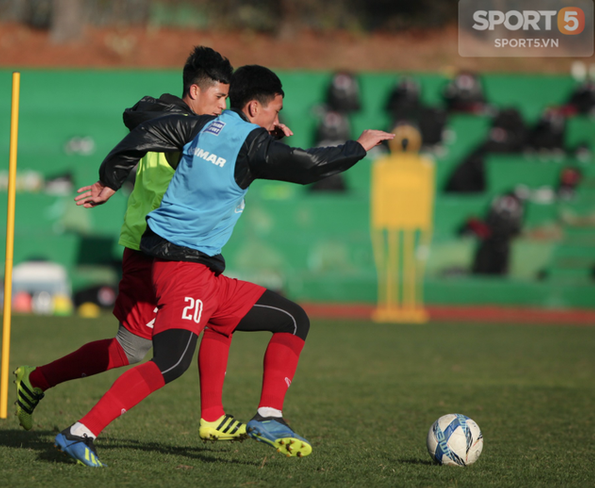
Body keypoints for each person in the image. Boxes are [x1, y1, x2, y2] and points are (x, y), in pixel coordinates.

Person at [55, 64, 395, 467]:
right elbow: (308, 166)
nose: (278, 119)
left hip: (195, 269)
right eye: (274, 111)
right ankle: (80, 433)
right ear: (254, 107)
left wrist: (109, 181)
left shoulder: (202, 126)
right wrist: (359, 145)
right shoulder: (251, 144)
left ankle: (268, 416)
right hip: (183, 267)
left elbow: (144, 132)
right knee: (171, 361)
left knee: (292, 319)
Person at [14, 46, 249, 442]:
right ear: (195, 91)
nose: (224, 106)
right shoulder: (170, 118)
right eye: (219, 97)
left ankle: (36, 380)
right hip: (152, 248)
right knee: (146, 342)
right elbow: (138, 112)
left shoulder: (207, 127)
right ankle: (209, 416)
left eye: (227, 98)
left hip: (179, 250)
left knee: (137, 346)